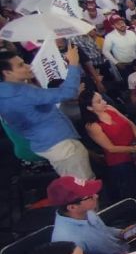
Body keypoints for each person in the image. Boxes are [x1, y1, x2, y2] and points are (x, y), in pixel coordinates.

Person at [0, 47, 94, 179]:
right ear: (7, 73)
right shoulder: (20, 93)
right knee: (83, 184)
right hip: (59, 145)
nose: (28, 66)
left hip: (49, 143)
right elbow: (67, 93)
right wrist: (73, 64)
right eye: (21, 65)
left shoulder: (9, 93)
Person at [79, 89, 136, 204]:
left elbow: (130, 123)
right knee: (132, 186)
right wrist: (135, 149)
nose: (104, 102)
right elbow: (110, 148)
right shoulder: (92, 126)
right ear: (90, 107)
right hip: (120, 159)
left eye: (102, 99)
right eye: (99, 101)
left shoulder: (110, 108)